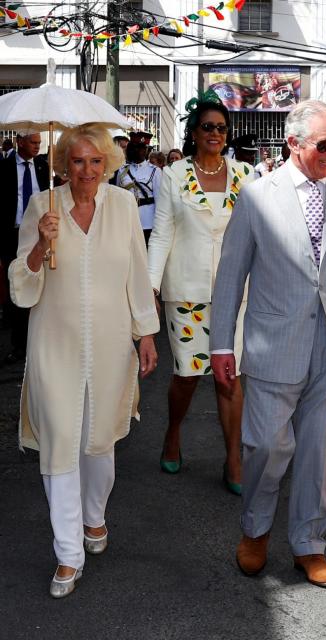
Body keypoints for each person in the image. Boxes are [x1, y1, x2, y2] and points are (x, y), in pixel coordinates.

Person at [210, 100, 326, 589]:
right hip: (273, 340)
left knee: (317, 452)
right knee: (266, 444)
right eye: (324, 144)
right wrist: (222, 345)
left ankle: (309, 543)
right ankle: (255, 530)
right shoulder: (258, 196)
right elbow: (230, 275)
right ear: (294, 144)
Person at [8, 123, 159, 598]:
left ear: (108, 164)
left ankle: (95, 516)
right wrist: (38, 247)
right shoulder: (42, 207)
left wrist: (147, 333)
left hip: (112, 343)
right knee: (58, 443)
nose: (87, 170)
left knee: (99, 442)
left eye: (96, 161)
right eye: (77, 161)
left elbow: (136, 270)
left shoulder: (123, 206)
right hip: (54, 343)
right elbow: (21, 287)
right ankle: (67, 553)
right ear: (63, 165)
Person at [147, 90, 255, 493]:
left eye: (221, 128)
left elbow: (260, 235)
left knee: (229, 378)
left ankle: (233, 459)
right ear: (193, 132)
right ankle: (173, 431)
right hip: (187, 290)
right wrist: (150, 288)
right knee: (189, 375)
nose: (214, 133)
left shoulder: (247, 176)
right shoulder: (173, 175)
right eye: (207, 127)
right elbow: (161, 234)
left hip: (234, 291)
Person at [1, 132, 48, 365]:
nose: (38, 147)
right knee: (18, 286)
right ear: (19, 141)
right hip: (12, 235)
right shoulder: (4, 167)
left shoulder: (44, 166)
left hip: (42, 235)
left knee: (43, 285)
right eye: (33, 142)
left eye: (40, 143)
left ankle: (42, 342)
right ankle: (19, 345)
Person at [114, 131, 161, 245]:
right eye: (134, 147)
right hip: (126, 219)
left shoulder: (155, 171)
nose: (137, 151)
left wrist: (158, 225)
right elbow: (117, 196)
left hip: (147, 221)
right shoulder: (122, 170)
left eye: (140, 148)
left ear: (146, 150)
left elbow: (159, 200)